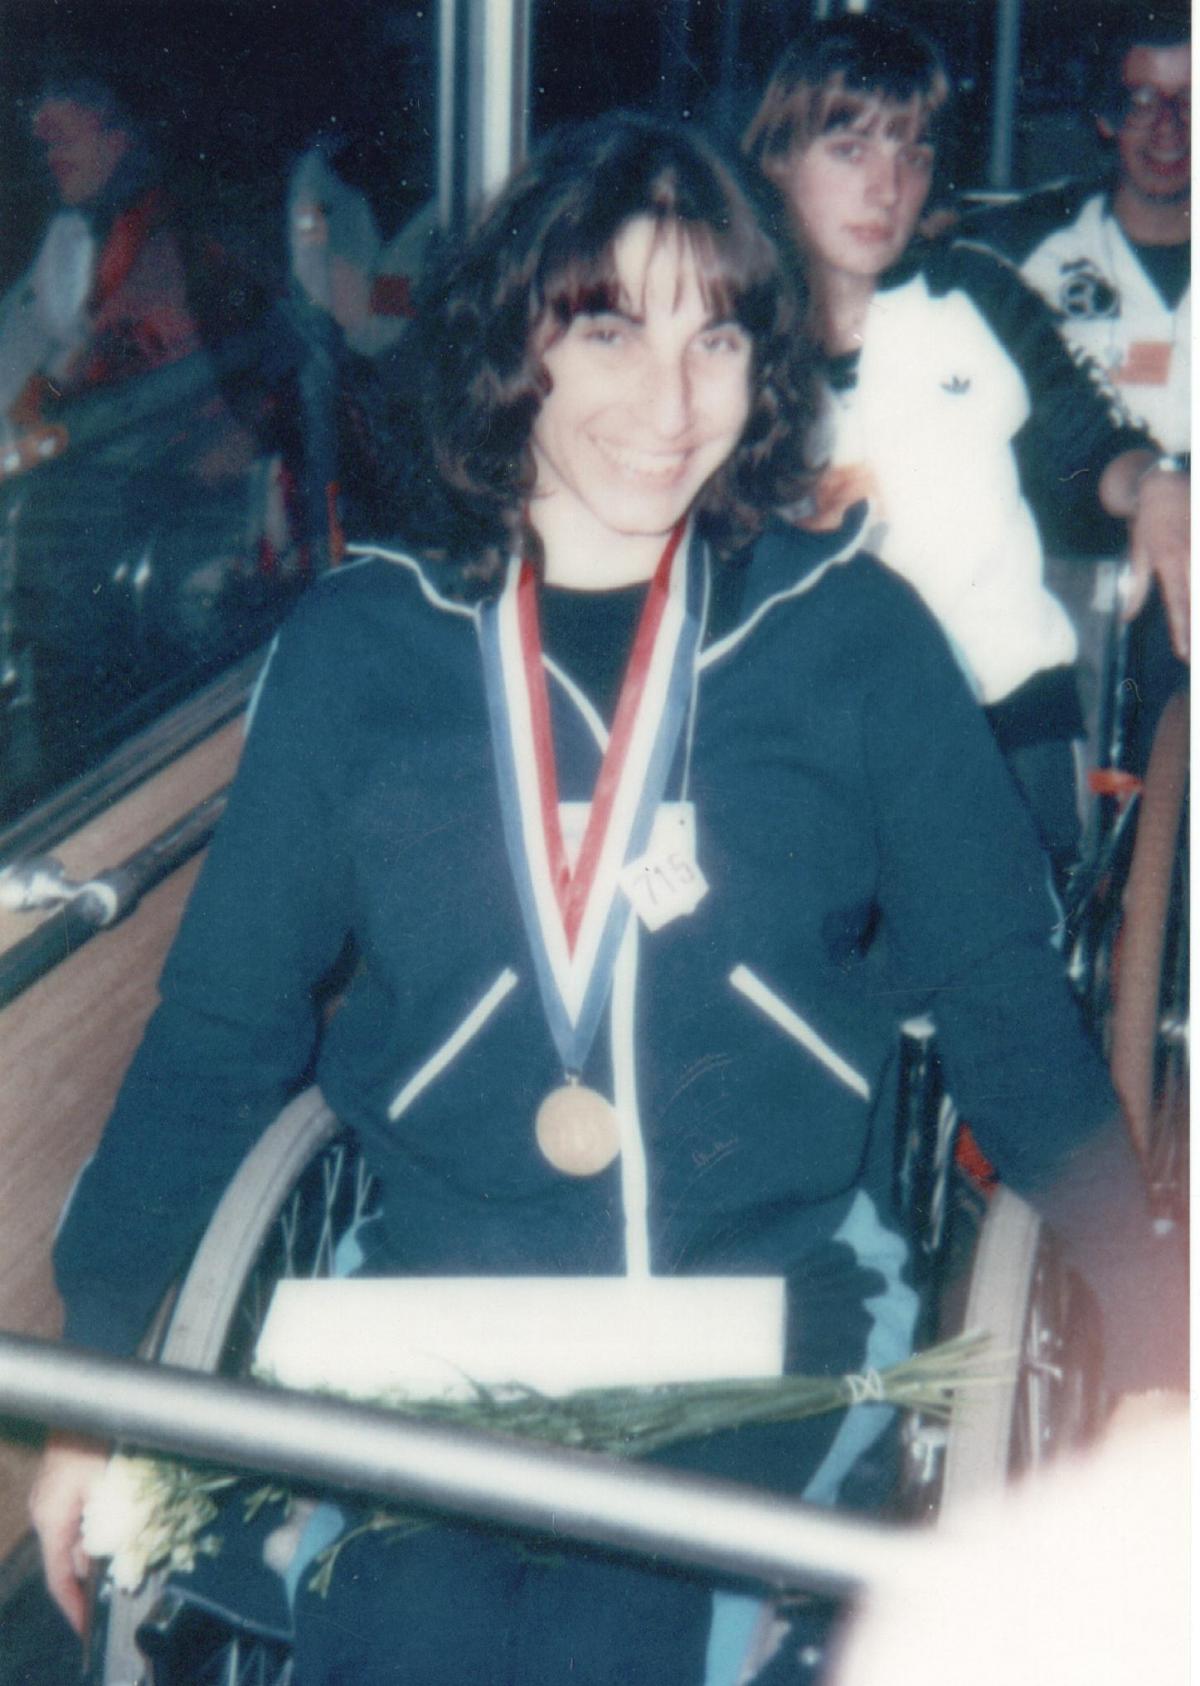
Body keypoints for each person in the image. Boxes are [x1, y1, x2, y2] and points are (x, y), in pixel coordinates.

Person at [30, 114, 1182, 1686]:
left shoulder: (849, 633)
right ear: (519, 339)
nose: (672, 398)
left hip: (764, 1310)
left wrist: (1156, 1340)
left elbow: (1001, 996)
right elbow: (223, 1026)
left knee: (618, 1642)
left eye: (717, 331)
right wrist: (99, 1384)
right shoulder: (370, 647)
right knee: (400, 1638)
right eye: (611, 326)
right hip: (435, 1310)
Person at [744, 15, 1190, 886]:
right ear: (779, 157)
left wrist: (1159, 485)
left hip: (1005, 721)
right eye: (851, 150)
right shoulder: (734, 330)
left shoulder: (977, 296)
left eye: (911, 154)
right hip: (807, 741)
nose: (887, 188)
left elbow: (1090, 443)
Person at [964, 8, 1189, 772]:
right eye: (1142, 100)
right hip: (1078, 576)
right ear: (1101, 115)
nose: (1170, 129)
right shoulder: (1028, 252)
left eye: (1192, 100)